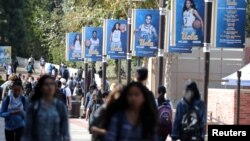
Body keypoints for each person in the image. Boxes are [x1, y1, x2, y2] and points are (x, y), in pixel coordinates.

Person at [21, 75, 70, 141]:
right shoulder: (33, 106)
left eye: (52, 84)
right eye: (46, 84)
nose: (49, 87)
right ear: (41, 87)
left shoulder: (60, 107)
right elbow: (27, 131)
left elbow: (65, 132)